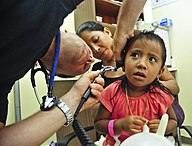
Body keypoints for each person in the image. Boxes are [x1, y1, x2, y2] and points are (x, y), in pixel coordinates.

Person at [0, 0, 148, 144]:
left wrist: (72, 101)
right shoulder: (56, 5)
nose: (92, 57)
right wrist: (124, 30)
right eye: (89, 46)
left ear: (55, 73)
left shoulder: (6, 79)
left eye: (84, 68)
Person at [94, 31, 177, 146]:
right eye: (135, 55)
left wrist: (164, 126)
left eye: (152, 59)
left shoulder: (161, 95)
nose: (141, 64)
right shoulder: (111, 92)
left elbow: (173, 121)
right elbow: (99, 124)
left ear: (160, 71)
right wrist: (120, 125)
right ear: (123, 63)